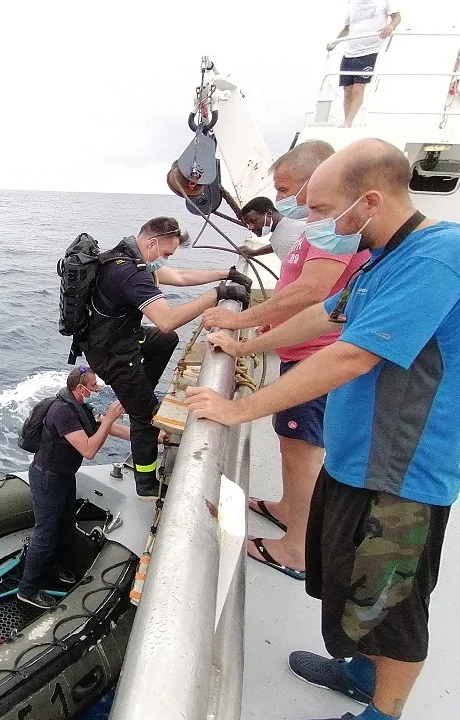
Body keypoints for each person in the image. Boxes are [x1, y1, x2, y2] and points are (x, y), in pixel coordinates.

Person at [186, 138, 460, 720]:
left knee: (396, 604)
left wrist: (238, 410)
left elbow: (350, 356)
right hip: (357, 455)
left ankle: (384, 712)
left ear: (368, 201)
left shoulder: (438, 258)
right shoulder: (386, 255)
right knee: (351, 581)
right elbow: (326, 312)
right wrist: (246, 341)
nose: (313, 225)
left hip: (403, 471)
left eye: (320, 210)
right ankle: (361, 670)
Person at [203, 143, 369, 581]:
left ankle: (297, 548)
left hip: (316, 358)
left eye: (286, 189)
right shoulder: (315, 231)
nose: (287, 202)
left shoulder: (336, 232)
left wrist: (246, 334)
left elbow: (314, 293)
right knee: (291, 446)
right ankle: (287, 510)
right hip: (302, 352)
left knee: (303, 455)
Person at [80, 217, 250, 499]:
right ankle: (146, 484)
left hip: (119, 338)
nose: (165, 261)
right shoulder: (129, 273)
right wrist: (218, 294)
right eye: (166, 254)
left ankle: (138, 392)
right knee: (144, 415)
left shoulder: (127, 257)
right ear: (153, 243)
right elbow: (167, 320)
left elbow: (180, 277)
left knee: (165, 342)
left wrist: (227, 274)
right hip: (113, 355)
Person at [17, 367, 128, 608]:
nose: (97, 389)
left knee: (65, 525)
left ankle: (52, 567)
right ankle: (28, 589)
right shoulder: (63, 413)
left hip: (64, 476)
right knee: (45, 534)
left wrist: (145, 436)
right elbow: (89, 450)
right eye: (93, 385)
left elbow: (104, 426)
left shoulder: (80, 409)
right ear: (80, 388)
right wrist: (109, 418)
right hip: (48, 478)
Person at [327, 0, 401, 127]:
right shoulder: (354, 2)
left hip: (369, 51)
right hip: (350, 51)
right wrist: (334, 42)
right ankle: (346, 121)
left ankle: (349, 121)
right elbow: (347, 28)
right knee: (347, 89)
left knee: (358, 87)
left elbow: (397, 16)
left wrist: (391, 26)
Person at [238, 196, 306, 261]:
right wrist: (255, 252)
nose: (250, 227)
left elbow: (284, 243)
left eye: (253, 221)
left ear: (269, 214)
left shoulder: (285, 237)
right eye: (248, 224)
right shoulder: (289, 223)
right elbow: (277, 245)